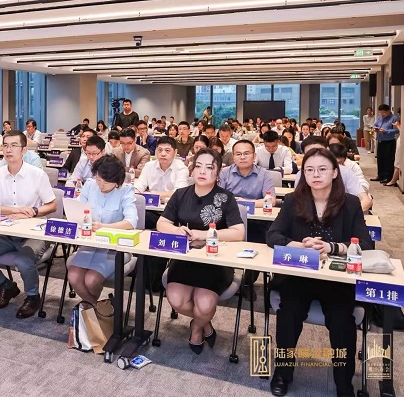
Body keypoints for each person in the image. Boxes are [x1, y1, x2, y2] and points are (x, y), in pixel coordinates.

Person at [266, 148, 373, 397]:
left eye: (322, 169)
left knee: (342, 320)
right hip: (300, 274)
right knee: (288, 313)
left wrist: (332, 247)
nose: (315, 175)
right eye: (310, 170)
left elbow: (366, 244)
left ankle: (344, 384)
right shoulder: (293, 200)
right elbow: (272, 235)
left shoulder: (350, 203)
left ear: (335, 172)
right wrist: (298, 245)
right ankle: (282, 373)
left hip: (336, 279)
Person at [156, 148, 245, 355]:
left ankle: (197, 327)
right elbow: (161, 223)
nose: (202, 171)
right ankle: (205, 324)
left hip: (215, 261)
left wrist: (204, 234)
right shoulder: (181, 194)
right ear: (192, 169)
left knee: (204, 305)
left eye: (209, 167)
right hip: (185, 259)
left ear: (218, 172)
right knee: (176, 300)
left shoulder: (225, 197)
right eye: (198, 166)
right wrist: (176, 230)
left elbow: (238, 232)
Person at [0, 130, 57, 319]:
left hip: (34, 232)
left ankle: (33, 297)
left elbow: (52, 205)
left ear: (24, 150)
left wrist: (34, 211)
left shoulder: (37, 174)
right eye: (6, 145)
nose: (9, 150)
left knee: (23, 260)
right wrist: (11, 210)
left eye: (14, 145)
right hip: (8, 230)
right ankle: (6, 285)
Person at [67, 155, 137, 303]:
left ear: (117, 181)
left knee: (91, 280)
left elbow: (131, 222)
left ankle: (92, 311)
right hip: (90, 244)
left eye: (106, 182)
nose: (101, 185)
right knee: (73, 276)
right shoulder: (90, 185)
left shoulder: (126, 190)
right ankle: (98, 309)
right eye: (99, 179)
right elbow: (78, 207)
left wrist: (103, 227)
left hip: (115, 247)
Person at [298, 136, 372, 211]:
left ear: (327, 150)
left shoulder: (345, 172)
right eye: (309, 154)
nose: (315, 157)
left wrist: (351, 214)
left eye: (319, 152)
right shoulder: (301, 174)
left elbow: (366, 200)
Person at [133, 136, 190, 211]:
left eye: (167, 150)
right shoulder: (149, 166)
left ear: (175, 152)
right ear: (156, 151)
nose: (163, 154)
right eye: (160, 150)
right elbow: (138, 186)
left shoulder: (181, 168)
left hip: (173, 209)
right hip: (150, 209)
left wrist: (152, 194)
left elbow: (179, 193)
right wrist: (137, 191)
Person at [218, 140, 273, 208]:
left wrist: (245, 202)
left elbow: (271, 201)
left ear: (254, 156)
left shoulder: (265, 174)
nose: (242, 157)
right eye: (238, 154)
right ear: (233, 157)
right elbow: (218, 199)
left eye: (246, 153)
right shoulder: (224, 173)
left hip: (256, 213)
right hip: (230, 212)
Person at [372, 104, 400, 183]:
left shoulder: (394, 118)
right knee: (380, 159)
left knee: (388, 160)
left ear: (388, 111)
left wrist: (385, 131)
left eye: (384, 113)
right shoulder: (380, 117)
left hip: (389, 141)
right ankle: (380, 176)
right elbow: (375, 124)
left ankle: (388, 177)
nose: (382, 114)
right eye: (380, 113)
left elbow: (396, 130)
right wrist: (375, 128)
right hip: (380, 140)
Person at [383, 119, 403, 187]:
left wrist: (397, 126)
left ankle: (393, 180)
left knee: (398, 162)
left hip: (402, 142)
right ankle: (395, 180)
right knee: (397, 161)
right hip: (400, 140)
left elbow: (403, 133)